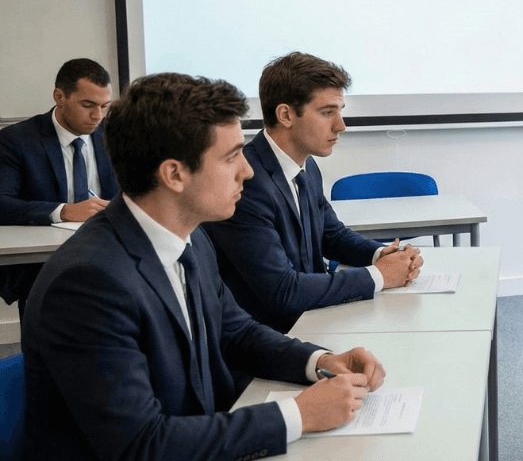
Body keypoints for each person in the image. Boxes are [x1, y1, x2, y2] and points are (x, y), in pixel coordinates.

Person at [23, 72, 384, 460]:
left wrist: (321, 361)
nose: (247, 171)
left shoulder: (190, 237)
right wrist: (298, 415)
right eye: (231, 157)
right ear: (174, 174)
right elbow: (141, 445)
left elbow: (236, 332)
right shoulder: (89, 283)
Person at [204, 52, 422, 333]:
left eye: (339, 111)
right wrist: (379, 276)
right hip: (275, 336)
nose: (341, 125)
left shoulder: (306, 165)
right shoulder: (248, 182)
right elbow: (283, 291)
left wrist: (383, 254)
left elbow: (331, 235)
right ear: (286, 115)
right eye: (327, 112)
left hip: (313, 319)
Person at [0, 58, 119, 312]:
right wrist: (64, 211)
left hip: (112, 256)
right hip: (47, 267)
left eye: (104, 106)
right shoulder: (17, 140)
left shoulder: (117, 135)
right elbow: (2, 203)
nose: (97, 116)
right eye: (87, 105)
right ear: (59, 97)